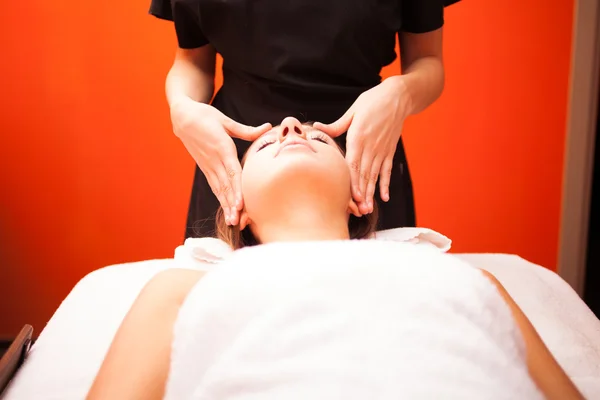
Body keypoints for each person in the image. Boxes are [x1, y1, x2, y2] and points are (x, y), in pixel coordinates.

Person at [87, 118, 582, 400]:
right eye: (263, 144)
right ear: (236, 207)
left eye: (324, 138)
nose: (290, 126)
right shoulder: (179, 289)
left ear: (357, 198)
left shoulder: (464, 278)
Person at [149, 0, 461, 239]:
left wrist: (402, 93)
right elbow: (193, 63)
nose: (291, 127)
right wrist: (181, 106)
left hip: (365, 155)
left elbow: (427, 61)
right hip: (238, 168)